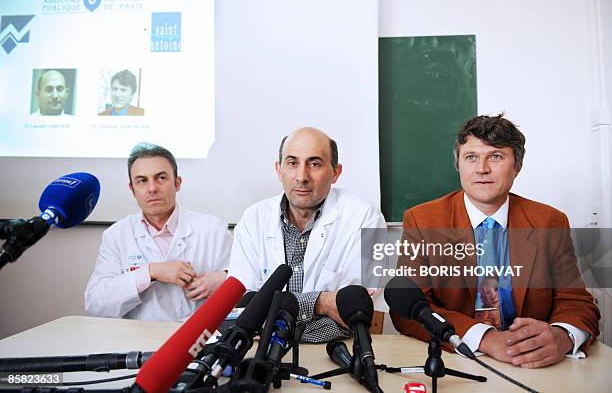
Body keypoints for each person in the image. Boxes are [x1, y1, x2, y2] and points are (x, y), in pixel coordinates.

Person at [390, 114, 600, 368]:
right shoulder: (423, 221)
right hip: (453, 360)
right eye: (471, 157)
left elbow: (576, 302)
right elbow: (409, 311)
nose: (482, 169)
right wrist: (487, 339)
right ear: (458, 164)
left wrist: (563, 336)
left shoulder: (550, 222)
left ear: (517, 167)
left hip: (532, 366)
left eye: (496, 156)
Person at [228, 127, 387, 342]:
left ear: (335, 173)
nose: (302, 177)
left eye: (314, 164)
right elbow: (243, 307)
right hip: (261, 354)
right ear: (278, 169)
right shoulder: (253, 218)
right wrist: (321, 302)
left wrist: (273, 319)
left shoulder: (366, 217)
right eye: (292, 163)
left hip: (335, 350)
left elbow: (353, 310)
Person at [85, 143, 231, 321]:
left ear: (177, 183)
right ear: (132, 189)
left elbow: (248, 286)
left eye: (161, 178)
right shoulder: (117, 235)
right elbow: (96, 304)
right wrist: (149, 272)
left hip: (199, 341)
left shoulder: (212, 229)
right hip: (136, 341)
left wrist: (223, 280)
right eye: (142, 181)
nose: (152, 188)